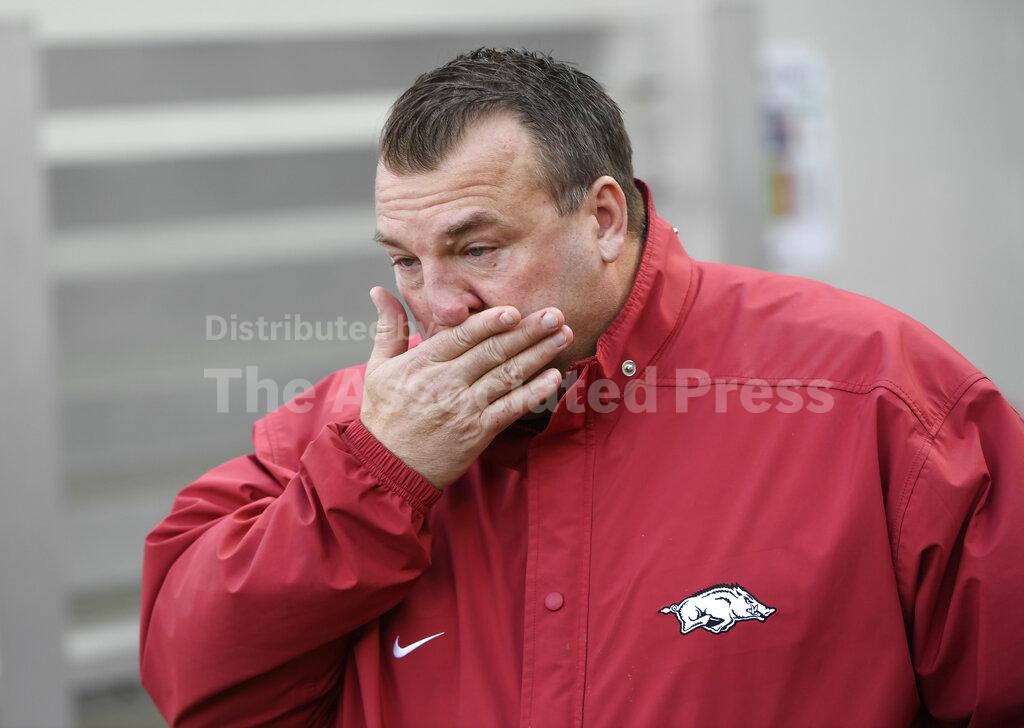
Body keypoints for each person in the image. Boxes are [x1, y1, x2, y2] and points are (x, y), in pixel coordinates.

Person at [140, 48, 1024, 727]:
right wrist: (375, 479)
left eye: (478, 249)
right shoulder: (355, 427)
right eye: (407, 260)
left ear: (602, 219)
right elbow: (199, 686)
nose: (440, 306)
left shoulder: (871, 391)